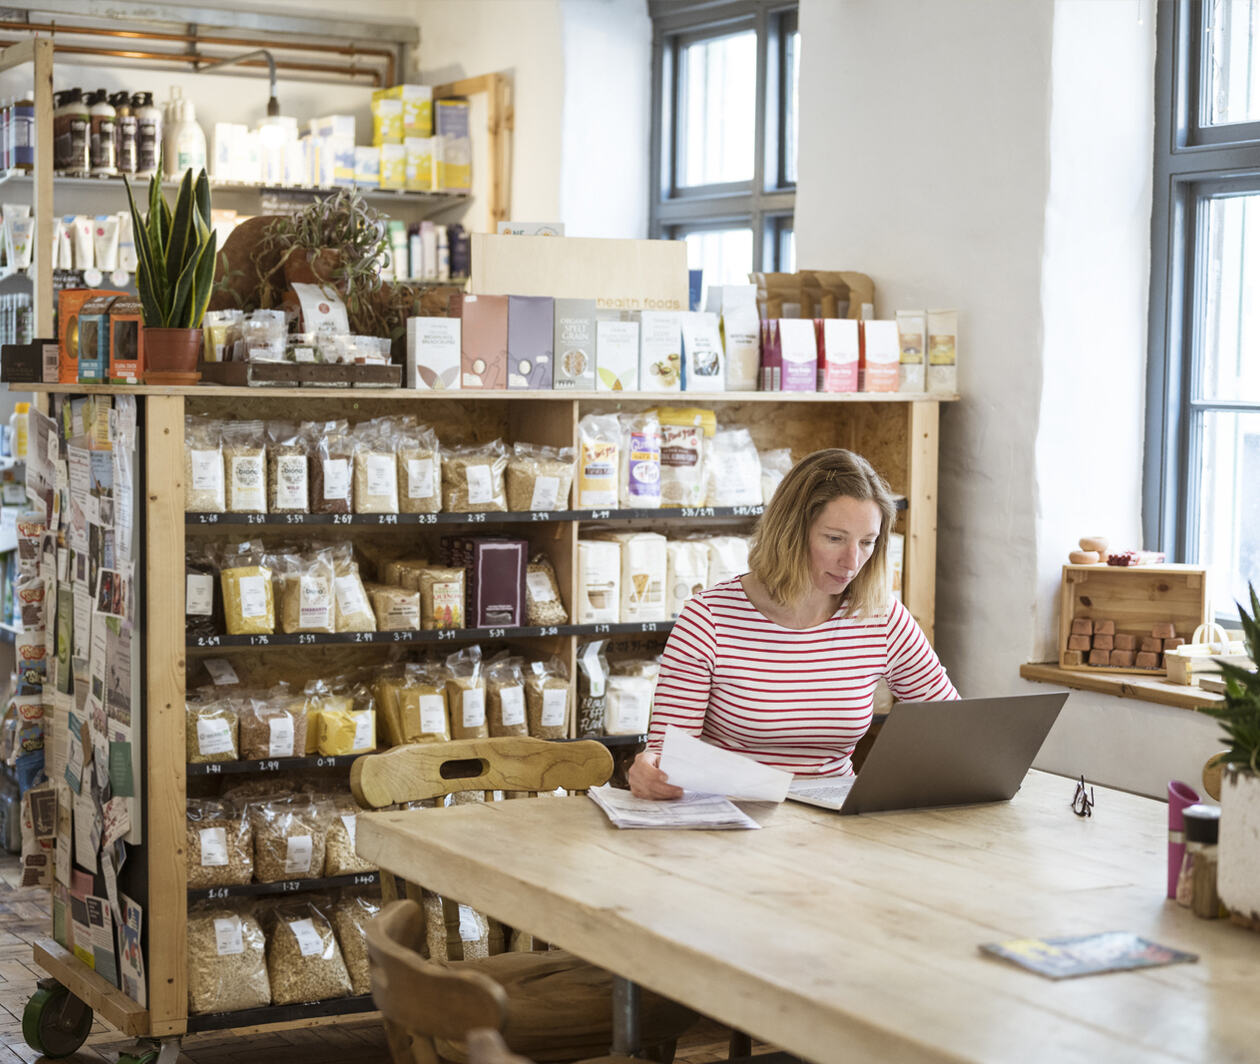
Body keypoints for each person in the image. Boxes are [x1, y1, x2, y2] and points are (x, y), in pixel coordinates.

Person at [628, 448, 958, 799]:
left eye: (867, 543)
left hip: (836, 822)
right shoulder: (707, 619)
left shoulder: (882, 617)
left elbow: (952, 727)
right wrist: (651, 772)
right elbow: (667, 756)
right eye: (834, 539)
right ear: (791, 532)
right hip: (734, 818)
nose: (852, 561)